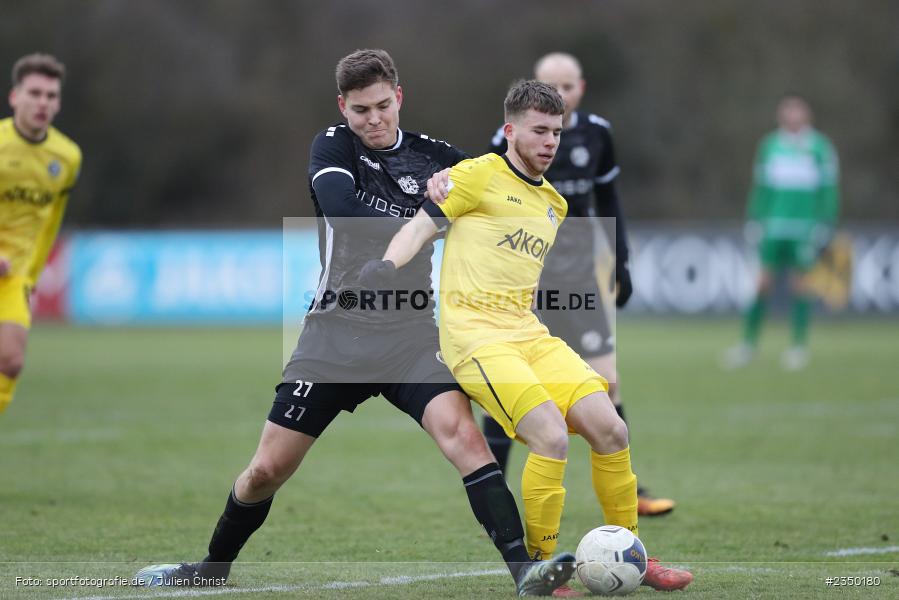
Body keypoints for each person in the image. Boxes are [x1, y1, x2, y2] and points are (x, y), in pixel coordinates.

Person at [136, 50, 575, 597]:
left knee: (465, 438)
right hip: (333, 337)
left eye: (383, 106)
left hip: (411, 337)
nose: (373, 119)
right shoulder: (332, 146)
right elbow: (343, 206)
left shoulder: (438, 158)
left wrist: (473, 197)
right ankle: (213, 566)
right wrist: (426, 217)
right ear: (343, 106)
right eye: (361, 109)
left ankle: (526, 574)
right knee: (266, 471)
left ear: (400, 99)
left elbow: (494, 186)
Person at [362, 80, 693, 593]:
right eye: (539, 131)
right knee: (552, 435)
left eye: (556, 132)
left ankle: (632, 554)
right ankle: (543, 568)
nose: (550, 142)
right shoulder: (475, 176)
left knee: (611, 429)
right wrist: (386, 264)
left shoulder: (555, 205)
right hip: (475, 341)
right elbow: (422, 227)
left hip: (528, 335)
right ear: (511, 131)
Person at [482, 52, 675, 518]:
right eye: (552, 86)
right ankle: (492, 491)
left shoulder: (598, 134)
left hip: (581, 277)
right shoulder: (505, 141)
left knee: (608, 383)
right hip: (530, 278)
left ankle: (631, 491)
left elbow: (610, 199)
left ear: (580, 89)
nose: (561, 95)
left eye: (568, 87)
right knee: (509, 389)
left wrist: (620, 262)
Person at [723, 94, 840, 371]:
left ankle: (798, 347)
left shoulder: (820, 148)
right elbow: (761, 188)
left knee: (801, 285)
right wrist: (754, 219)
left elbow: (829, 191)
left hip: (804, 228)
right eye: (787, 113)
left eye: (796, 112)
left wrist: (826, 223)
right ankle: (748, 345)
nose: (791, 118)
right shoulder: (770, 146)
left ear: (806, 116)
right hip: (773, 227)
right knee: (762, 283)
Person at [0, 53, 81, 415]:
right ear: (15, 96)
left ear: (59, 102)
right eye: (34, 93)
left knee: (11, 362)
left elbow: (50, 221)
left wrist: (30, 276)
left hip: (13, 275)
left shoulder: (66, 156)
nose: (43, 102)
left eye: (50, 95)